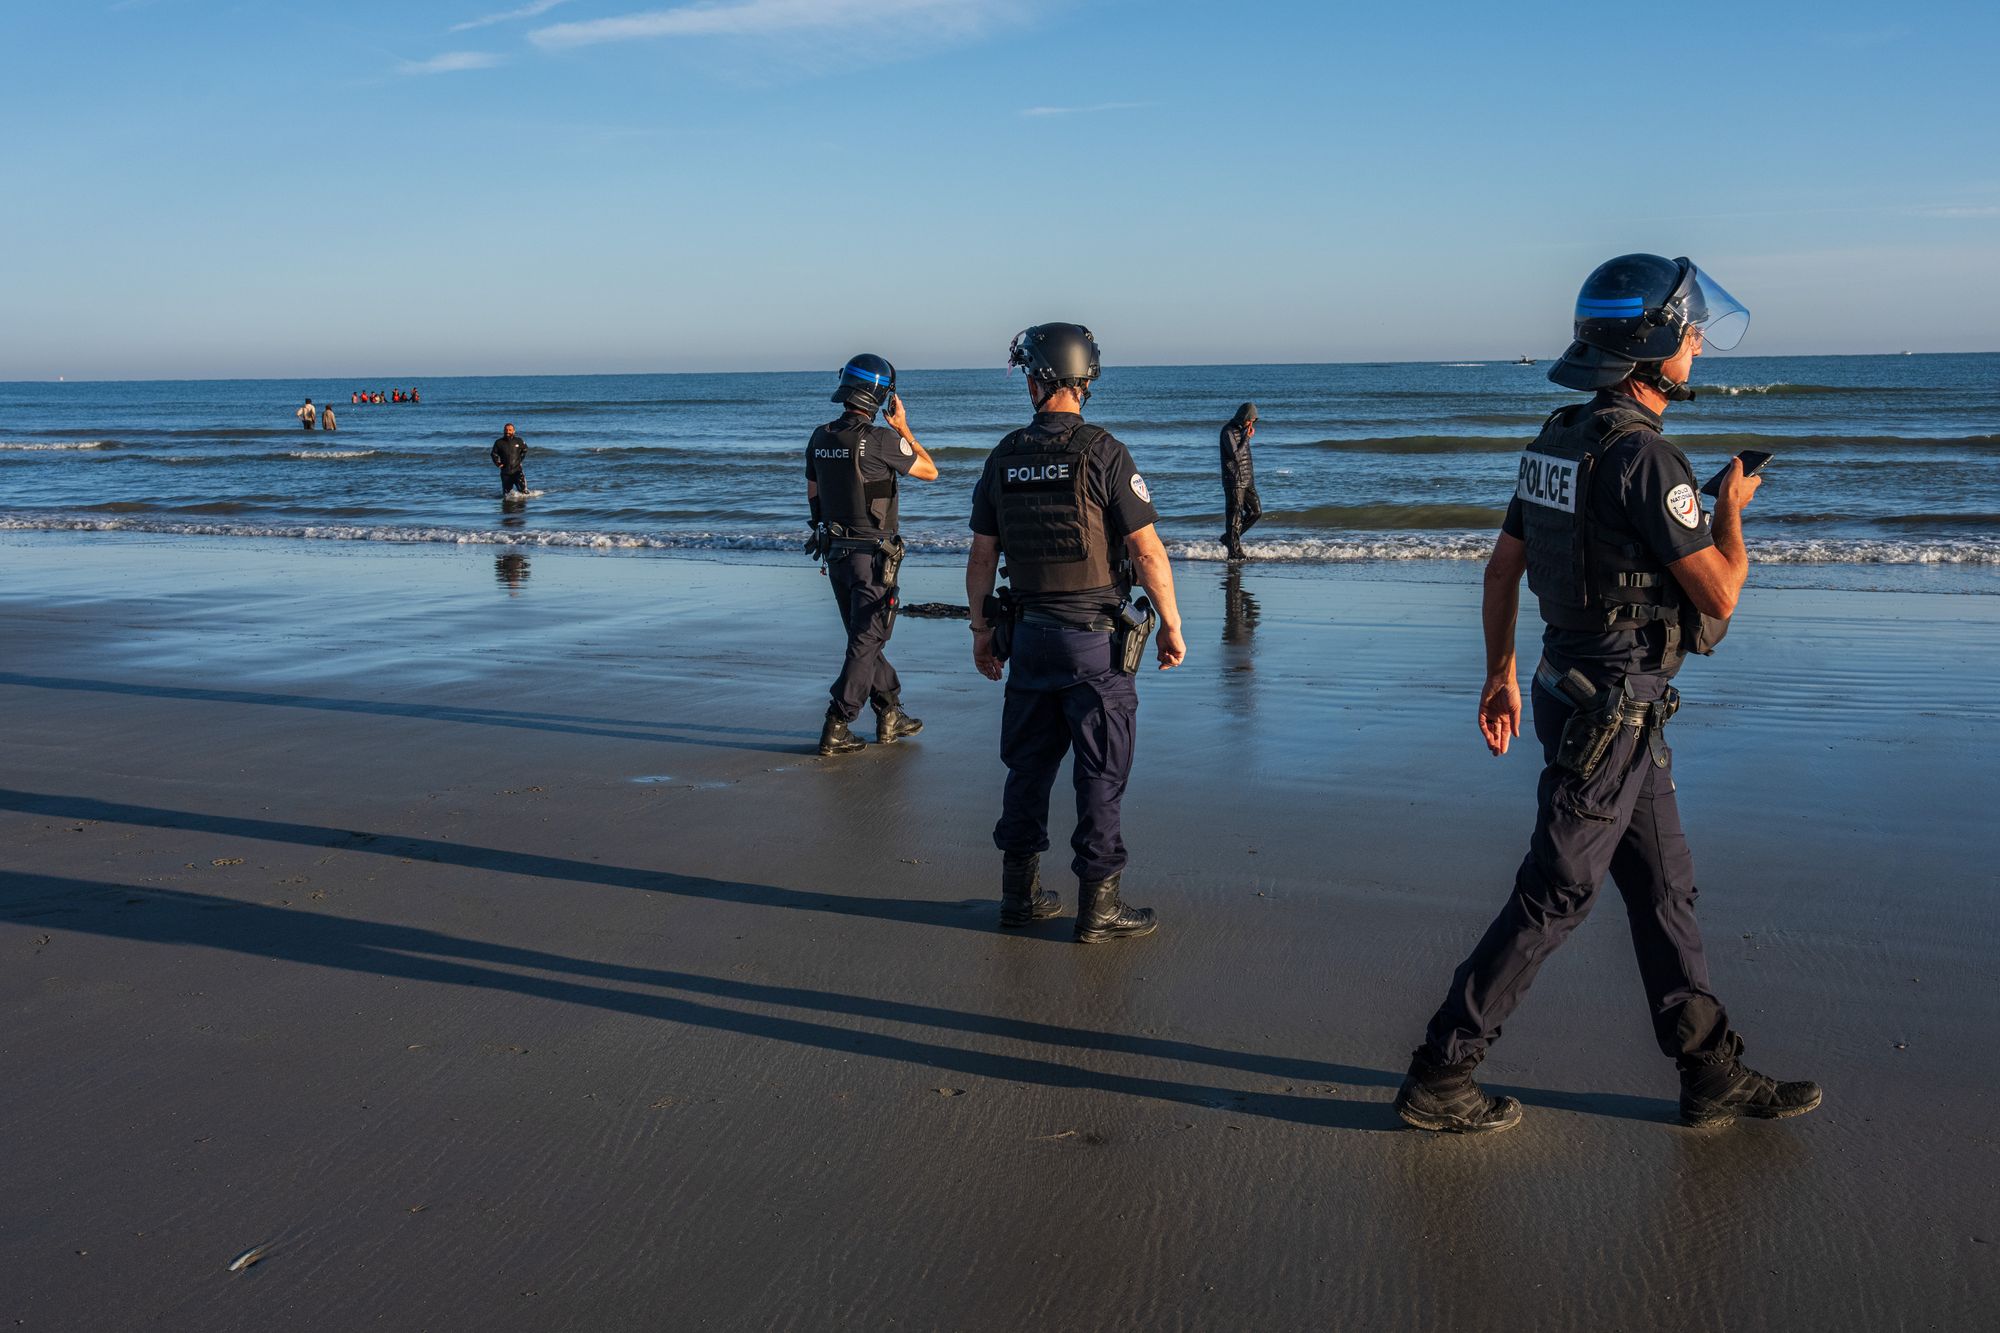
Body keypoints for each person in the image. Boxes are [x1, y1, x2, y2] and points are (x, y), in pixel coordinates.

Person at [1393, 254, 1822, 1134]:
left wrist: (1501, 673)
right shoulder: (1649, 456)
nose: (1698, 342)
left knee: (1667, 889)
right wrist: (1732, 506)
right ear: (1651, 344)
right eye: (1688, 329)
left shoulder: (1557, 435)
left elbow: (1504, 566)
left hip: (1575, 694)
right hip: (1613, 714)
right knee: (1556, 892)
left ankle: (1708, 1070)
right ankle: (1442, 1069)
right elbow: (1720, 599)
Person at [965, 323, 1186, 942]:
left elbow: (982, 559)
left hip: (1029, 638)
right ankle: (1098, 908)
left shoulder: (1004, 456)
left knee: (1027, 770)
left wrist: (982, 632)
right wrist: (1171, 625)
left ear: (1038, 379)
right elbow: (1146, 551)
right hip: (1095, 645)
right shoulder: (1105, 452)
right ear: (1084, 381)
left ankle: (1020, 896)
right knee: (1101, 773)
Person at [805, 354, 939, 756]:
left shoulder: (821, 436)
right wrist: (903, 428)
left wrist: (827, 536)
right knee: (867, 639)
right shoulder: (882, 440)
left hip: (837, 554)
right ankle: (838, 721)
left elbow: (814, 497)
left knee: (866, 638)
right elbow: (930, 471)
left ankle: (890, 711)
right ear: (881, 395)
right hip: (874, 560)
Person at [1219, 402, 1262, 559]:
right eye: (1250, 420)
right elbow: (1236, 456)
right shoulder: (1228, 431)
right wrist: (1246, 439)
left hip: (1247, 480)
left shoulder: (1242, 431)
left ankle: (1228, 539)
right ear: (1243, 417)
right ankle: (1234, 552)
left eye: (1254, 421)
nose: (1251, 424)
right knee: (1234, 516)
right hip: (1234, 480)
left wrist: (1245, 436)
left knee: (1256, 512)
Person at [491, 423, 527, 496]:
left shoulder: (519, 441)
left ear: (514, 431)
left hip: (518, 471)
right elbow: (493, 454)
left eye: (510, 430)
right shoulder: (499, 442)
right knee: (507, 495)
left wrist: (520, 460)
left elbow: (525, 449)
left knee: (524, 493)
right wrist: (498, 463)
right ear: (503, 430)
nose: (508, 431)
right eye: (506, 430)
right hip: (505, 472)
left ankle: (522, 506)